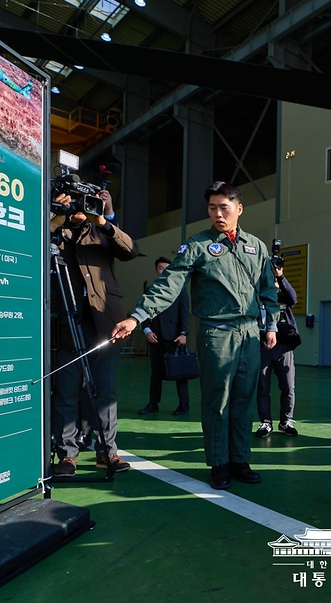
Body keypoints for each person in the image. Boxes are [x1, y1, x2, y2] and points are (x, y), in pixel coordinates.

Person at [111, 182, 279, 491]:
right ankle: (219, 462)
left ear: (238, 209)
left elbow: (269, 289)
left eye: (224, 208)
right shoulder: (198, 246)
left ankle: (240, 459)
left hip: (251, 334)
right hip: (217, 333)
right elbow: (168, 284)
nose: (217, 214)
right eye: (212, 208)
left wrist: (272, 326)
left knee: (244, 400)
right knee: (219, 401)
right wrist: (138, 317)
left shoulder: (256, 246)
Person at [50, 189, 140, 476]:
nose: (78, 206)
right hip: (65, 321)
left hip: (105, 321)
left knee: (106, 389)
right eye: (72, 200)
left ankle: (107, 451)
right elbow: (28, 250)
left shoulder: (99, 230)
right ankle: (67, 455)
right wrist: (55, 220)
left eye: (82, 201)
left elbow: (130, 250)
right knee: (67, 389)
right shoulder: (54, 231)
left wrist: (102, 220)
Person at [138, 257, 191, 416]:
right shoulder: (150, 289)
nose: (164, 270)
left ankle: (184, 405)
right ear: (156, 270)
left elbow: (184, 312)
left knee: (180, 372)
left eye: (167, 267)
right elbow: (144, 310)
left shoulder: (180, 288)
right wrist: (146, 329)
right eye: (161, 267)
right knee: (156, 373)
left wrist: (183, 333)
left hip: (174, 337)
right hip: (155, 337)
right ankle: (153, 403)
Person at [255, 261, 299, 437]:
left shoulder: (282, 293)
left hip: (283, 345)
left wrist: (280, 277)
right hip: (262, 344)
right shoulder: (257, 292)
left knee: (288, 385)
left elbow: (293, 298)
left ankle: (286, 420)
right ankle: (265, 422)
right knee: (262, 386)